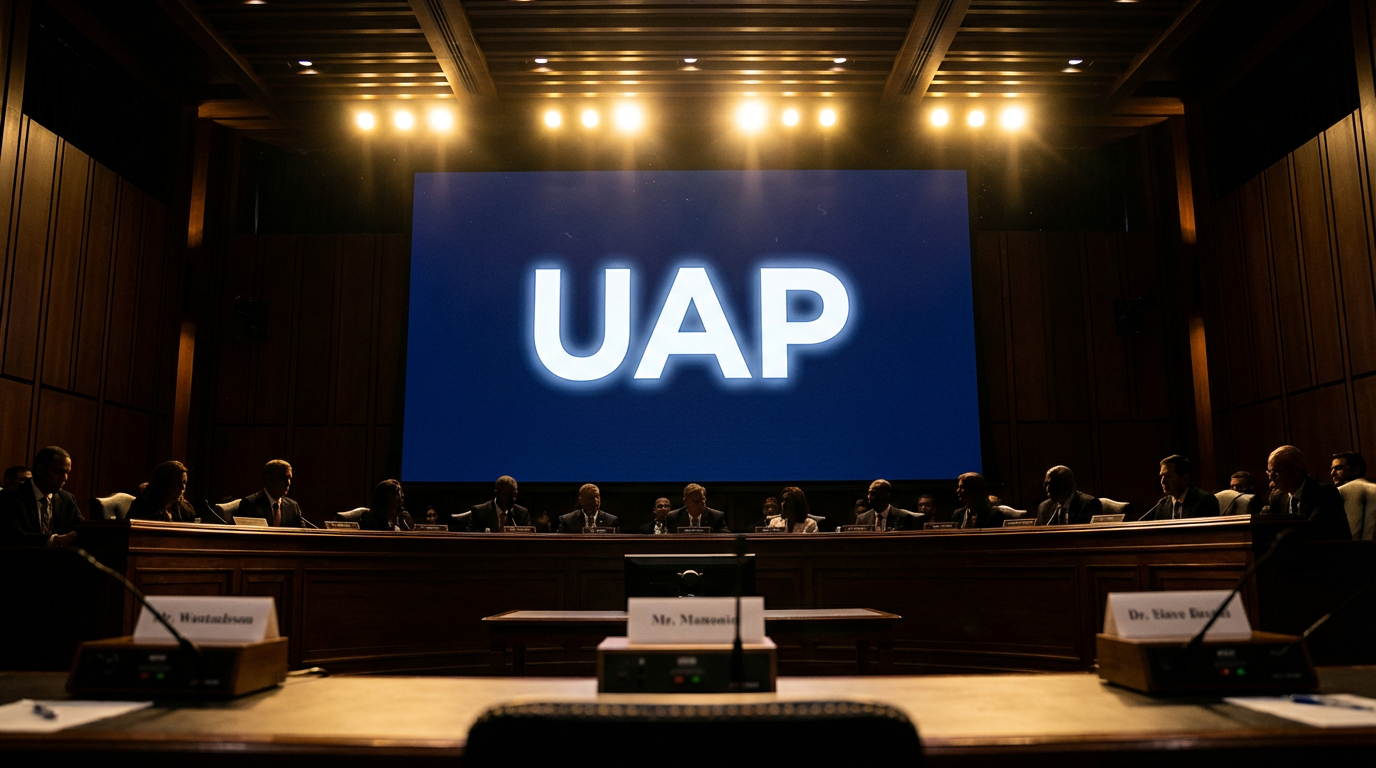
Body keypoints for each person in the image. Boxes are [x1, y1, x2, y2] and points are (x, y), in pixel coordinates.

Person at [0, 446, 83, 546]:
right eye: (59, 472)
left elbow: (82, 529)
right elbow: (14, 536)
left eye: (67, 472)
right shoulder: (9, 497)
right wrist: (54, 540)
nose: (64, 478)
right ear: (40, 470)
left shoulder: (67, 499)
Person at [1264, 446, 1351, 540]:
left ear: (1297, 470)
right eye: (1269, 472)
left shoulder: (1324, 492)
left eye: (1276, 472)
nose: (1270, 477)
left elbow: (1313, 530)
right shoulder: (1278, 496)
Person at [1142, 455, 1219, 521]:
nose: (1163, 481)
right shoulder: (1162, 504)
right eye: (1162, 476)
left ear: (1185, 478)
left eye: (1168, 476)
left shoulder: (1205, 501)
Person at [127, 461, 196, 523]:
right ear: (163, 483)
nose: (182, 487)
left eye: (184, 482)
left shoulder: (185, 509)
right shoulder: (143, 506)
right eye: (177, 482)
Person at [240, 460, 302, 527]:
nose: (288, 483)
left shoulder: (292, 507)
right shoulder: (250, 504)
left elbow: (302, 533)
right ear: (268, 478)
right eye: (283, 478)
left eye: (289, 478)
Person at [1035, 465, 1102, 525]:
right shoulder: (1043, 507)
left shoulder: (1090, 504)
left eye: (1053, 484)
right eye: (1046, 484)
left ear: (1067, 485)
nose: (1048, 489)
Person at [1332, 452, 1376, 540]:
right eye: (1332, 469)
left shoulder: (1335, 493)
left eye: (1339, 468)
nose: (1332, 473)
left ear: (1356, 470)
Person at [855, 479, 923, 530]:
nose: (869, 497)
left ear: (887, 496)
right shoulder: (862, 519)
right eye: (869, 494)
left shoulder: (904, 518)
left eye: (874, 494)